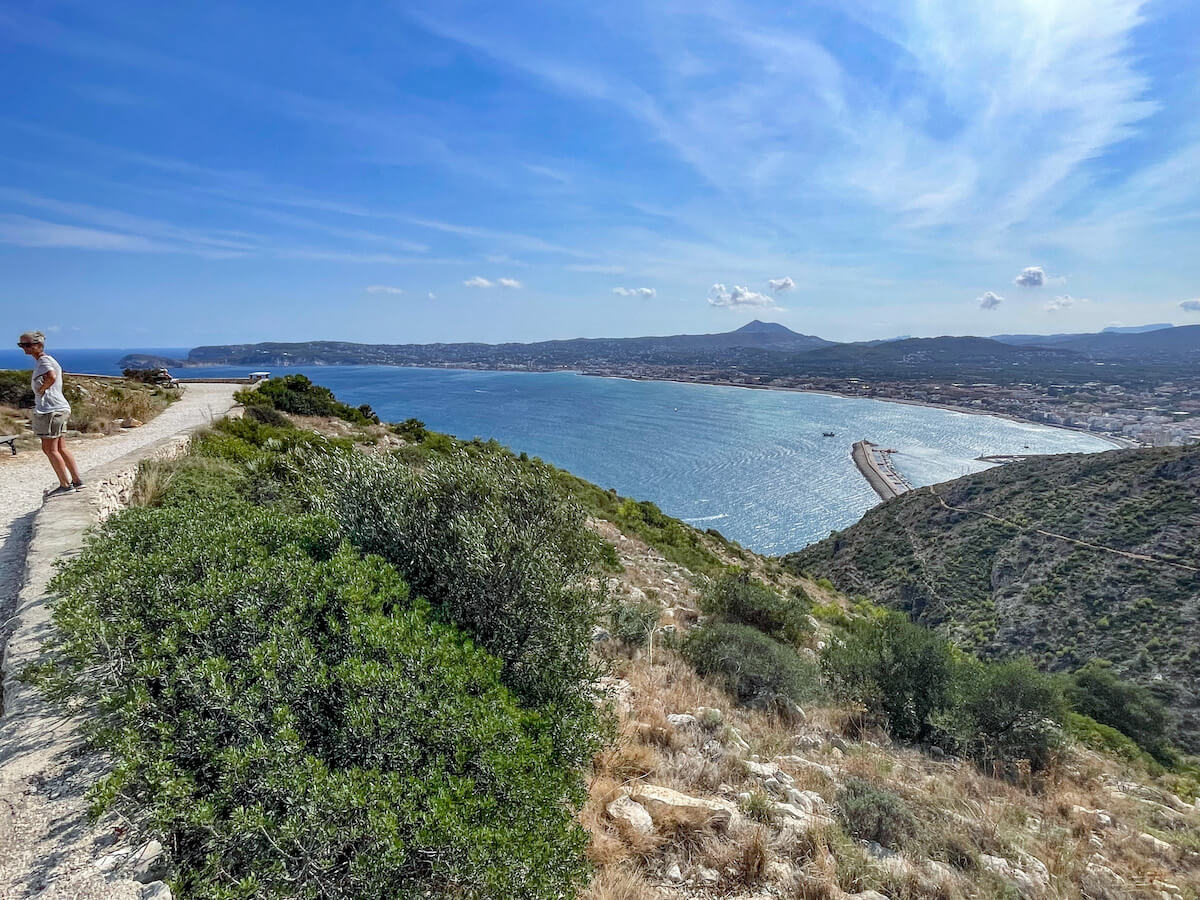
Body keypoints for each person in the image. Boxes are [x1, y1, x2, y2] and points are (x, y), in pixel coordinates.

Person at [18, 331, 83, 496]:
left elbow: (51, 377)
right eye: (21, 345)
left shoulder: (44, 360)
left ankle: (65, 485)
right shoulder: (48, 359)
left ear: (38, 345)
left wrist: (41, 390)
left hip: (50, 410)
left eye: (27, 345)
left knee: (49, 449)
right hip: (59, 408)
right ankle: (76, 480)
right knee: (61, 446)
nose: (24, 348)